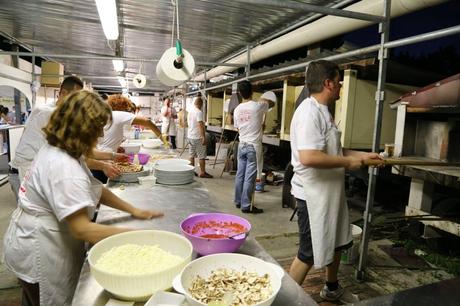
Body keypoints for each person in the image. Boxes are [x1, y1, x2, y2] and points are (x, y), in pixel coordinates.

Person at [3, 90, 163, 306]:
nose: (99, 136)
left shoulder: (62, 149)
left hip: (33, 236)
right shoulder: (63, 166)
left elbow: (95, 189)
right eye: (97, 129)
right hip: (41, 247)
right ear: (82, 127)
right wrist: (133, 237)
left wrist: (133, 210)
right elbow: (83, 229)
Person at [288, 60, 381, 302]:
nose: (340, 86)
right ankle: (283, 299)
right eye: (339, 82)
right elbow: (309, 157)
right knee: (307, 252)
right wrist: (349, 163)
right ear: (328, 83)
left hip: (330, 192)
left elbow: (334, 150)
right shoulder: (309, 113)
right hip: (312, 195)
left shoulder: (323, 111)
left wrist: (363, 156)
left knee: (338, 240)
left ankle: (331, 287)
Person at [95, 94, 167, 183]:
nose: (128, 111)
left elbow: (104, 140)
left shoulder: (109, 116)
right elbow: (147, 122)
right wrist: (163, 139)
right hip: (104, 163)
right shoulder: (117, 114)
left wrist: (115, 147)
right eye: (127, 109)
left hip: (101, 160)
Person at [233, 81, 274, 214]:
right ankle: (246, 205)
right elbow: (272, 103)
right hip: (253, 147)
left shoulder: (237, 109)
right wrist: (263, 98)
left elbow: (238, 128)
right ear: (252, 92)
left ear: (239, 93)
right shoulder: (258, 106)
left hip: (242, 145)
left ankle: (238, 201)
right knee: (249, 178)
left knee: (240, 175)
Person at [254, 91, 277, 193]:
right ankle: (258, 186)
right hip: (255, 144)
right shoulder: (257, 106)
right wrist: (264, 100)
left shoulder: (240, 109)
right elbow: (271, 103)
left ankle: (242, 194)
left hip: (244, 144)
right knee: (258, 168)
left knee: (244, 171)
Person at [187, 96, 212, 178]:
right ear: (200, 104)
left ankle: (191, 171)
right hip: (197, 137)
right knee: (201, 155)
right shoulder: (198, 112)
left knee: (191, 155)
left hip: (190, 136)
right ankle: (202, 172)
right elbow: (200, 125)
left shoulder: (190, 112)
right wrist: (203, 137)